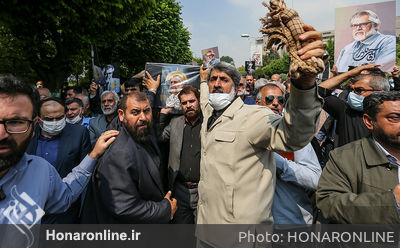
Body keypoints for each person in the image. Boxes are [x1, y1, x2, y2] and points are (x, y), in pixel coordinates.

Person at [196, 24, 324, 226]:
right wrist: (203, 81)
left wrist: (304, 85)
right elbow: (205, 101)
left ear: (238, 88)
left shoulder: (254, 116)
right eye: (213, 79)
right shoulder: (210, 114)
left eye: (224, 80)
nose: (217, 84)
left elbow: (295, 134)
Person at [0, 76, 118, 225]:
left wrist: (93, 155)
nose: (2, 134)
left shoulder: (41, 170)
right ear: (40, 121)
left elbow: (65, 195)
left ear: (32, 126)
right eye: (49, 119)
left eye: (16, 122)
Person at [81, 92, 177, 223]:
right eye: (135, 112)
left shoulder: (143, 132)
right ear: (121, 115)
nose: (143, 117)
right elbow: (124, 207)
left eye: (147, 111)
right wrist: (164, 209)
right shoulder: (119, 154)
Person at [316, 91, 400, 223]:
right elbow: (328, 204)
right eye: (395, 118)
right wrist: (390, 202)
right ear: (369, 121)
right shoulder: (344, 158)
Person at [256, 83, 321, 224]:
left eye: (280, 100)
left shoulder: (293, 136)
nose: (275, 103)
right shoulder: (244, 132)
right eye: (269, 99)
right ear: (257, 103)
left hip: (289, 222)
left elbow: (316, 178)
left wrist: (279, 162)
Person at [26, 97, 92, 223]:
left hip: (64, 209)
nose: (55, 122)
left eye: (60, 118)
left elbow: (85, 171)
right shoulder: (27, 134)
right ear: (38, 119)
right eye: (49, 119)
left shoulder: (79, 133)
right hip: (30, 206)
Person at [318, 64, 390, 147]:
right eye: (351, 89)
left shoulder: (393, 115)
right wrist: (349, 74)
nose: (352, 94)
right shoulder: (346, 111)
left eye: (359, 90)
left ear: (379, 93)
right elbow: (318, 92)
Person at [159, 86, 202, 224]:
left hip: (204, 190)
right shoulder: (175, 123)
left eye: (192, 101)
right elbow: (159, 138)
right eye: (184, 103)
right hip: (180, 191)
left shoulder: (210, 122)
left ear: (199, 101)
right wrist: (163, 116)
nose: (188, 105)